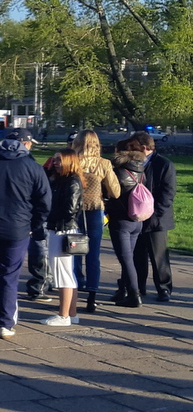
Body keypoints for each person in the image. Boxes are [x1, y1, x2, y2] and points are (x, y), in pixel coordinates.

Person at [0, 128, 51, 340]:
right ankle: (5, 324)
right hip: (18, 228)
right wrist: (34, 223)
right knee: (9, 277)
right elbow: (45, 201)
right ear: (25, 144)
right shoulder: (32, 166)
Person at [71, 130, 119, 312]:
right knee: (94, 253)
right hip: (95, 209)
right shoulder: (104, 163)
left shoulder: (72, 161)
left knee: (73, 250)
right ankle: (92, 294)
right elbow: (115, 192)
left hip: (74, 210)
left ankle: (74, 286)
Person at [41, 148, 84, 327]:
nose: (55, 163)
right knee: (67, 273)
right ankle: (71, 313)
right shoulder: (62, 179)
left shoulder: (71, 181)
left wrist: (48, 215)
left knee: (62, 274)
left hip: (62, 230)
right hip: (62, 229)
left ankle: (64, 315)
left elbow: (70, 209)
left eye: (59, 160)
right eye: (55, 159)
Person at [131, 132, 176, 302]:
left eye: (134, 146)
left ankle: (164, 288)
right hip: (137, 217)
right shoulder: (134, 163)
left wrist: (154, 214)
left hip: (156, 218)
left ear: (143, 147)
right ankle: (139, 287)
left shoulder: (164, 164)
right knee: (138, 255)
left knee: (159, 257)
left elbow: (168, 193)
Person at [107, 138, 149, 308]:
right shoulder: (141, 170)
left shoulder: (118, 171)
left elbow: (113, 193)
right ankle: (122, 291)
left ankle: (134, 295)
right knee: (128, 258)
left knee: (126, 260)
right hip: (136, 220)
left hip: (121, 220)